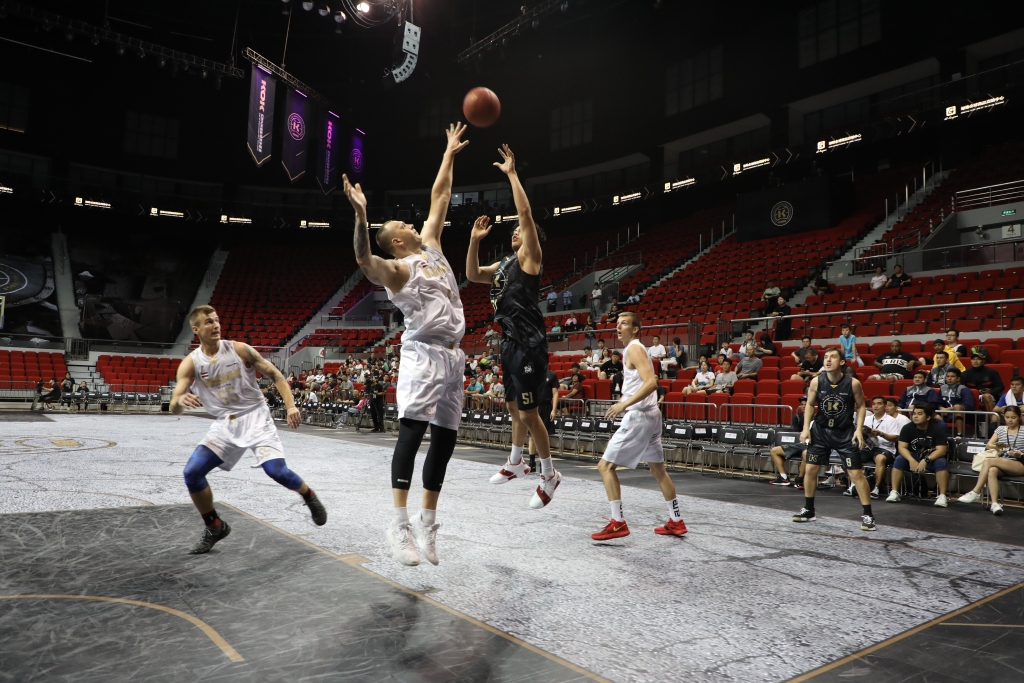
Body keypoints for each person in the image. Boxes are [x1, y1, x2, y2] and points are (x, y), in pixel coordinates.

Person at [342, 122, 469, 567]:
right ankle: (397, 527)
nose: (414, 223)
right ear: (398, 240)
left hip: (454, 356)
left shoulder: (431, 246)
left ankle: (427, 522)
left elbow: (440, 197)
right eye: (403, 224)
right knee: (413, 434)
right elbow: (363, 259)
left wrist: (449, 151)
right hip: (424, 353)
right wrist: (361, 215)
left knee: (447, 440)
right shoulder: (398, 270)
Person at [170, 305, 327, 555]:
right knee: (192, 473)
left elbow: (276, 375)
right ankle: (215, 526)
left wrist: (291, 406)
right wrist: (180, 401)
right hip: (225, 422)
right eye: (209, 322)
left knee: (276, 471)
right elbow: (173, 406)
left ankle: (308, 494)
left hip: (256, 416)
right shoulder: (191, 363)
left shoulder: (239, 349)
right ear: (196, 329)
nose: (216, 325)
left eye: (217, 320)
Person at [469, 144, 561, 509]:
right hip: (508, 342)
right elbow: (473, 274)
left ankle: (550, 473)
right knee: (512, 408)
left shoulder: (530, 256)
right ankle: (515, 461)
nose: (515, 234)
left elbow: (524, 212)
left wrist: (511, 174)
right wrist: (475, 243)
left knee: (528, 412)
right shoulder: (505, 263)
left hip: (529, 342)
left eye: (520, 232)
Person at [591, 312, 687, 540]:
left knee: (605, 467)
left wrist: (624, 403)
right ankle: (676, 521)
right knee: (658, 470)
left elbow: (652, 383)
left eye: (624, 323)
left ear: (635, 329)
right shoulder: (632, 350)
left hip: (639, 417)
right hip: (652, 416)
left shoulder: (634, 348)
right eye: (617, 323)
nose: (618, 327)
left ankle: (618, 523)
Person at [792, 348, 872, 531]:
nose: (828, 360)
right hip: (821, 430)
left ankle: (868, 515)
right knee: (811, 468)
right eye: (826, 357)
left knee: (855, 473)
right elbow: (810, 405)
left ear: (842, 362)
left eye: (833, 357)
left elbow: (860, 407)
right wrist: (806, 428)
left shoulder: (853, 383)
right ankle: (809, 509)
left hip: (844, 432)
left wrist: (859, 430)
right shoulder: (816, 381)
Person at [957, 405, 1024, 515]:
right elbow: (989, 445)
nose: (1010, 420)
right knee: (992, 470)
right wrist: (997, 447)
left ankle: (976, 491)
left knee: (988, 461)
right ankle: (994, 503)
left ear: (1019, 417)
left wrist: (1019, 454)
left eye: (1013, 417)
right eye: (1007, 417)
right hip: (1003, 459)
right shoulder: (1001, 429)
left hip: (1019, 462)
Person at [887, 403, 950, 507]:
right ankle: (894, 492)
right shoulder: (907, 428)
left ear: (928, 417)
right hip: (914, 456)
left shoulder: (937, 429)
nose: (915, 416)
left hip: (931, 457)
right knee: (899, 459)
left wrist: (926, 460)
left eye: (919, 414)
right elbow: (901, 447)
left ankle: (942, 496)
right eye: (914, 413)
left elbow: (942, 450)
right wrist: (911, 460)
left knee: (941, 462)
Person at [848, 396, 900, 499]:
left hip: (885, 448)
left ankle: (876, 488)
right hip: (868, 447)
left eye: (879, 404)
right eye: (874, 404)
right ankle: (854, 485)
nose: (876, 406)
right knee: (852, 456)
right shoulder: (867, 418)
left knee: (880, 458)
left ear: (885, 406)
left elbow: (895, 438)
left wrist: (881, 434)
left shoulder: (892, 420)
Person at [769, 396, 808, 487]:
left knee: (806, 453)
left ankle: (800, 479)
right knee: (774, 450)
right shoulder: (797, 418)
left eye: (805, 404)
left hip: (810, 445)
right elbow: (796, 433)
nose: (803, 406)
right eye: (802, 404)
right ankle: (783, 477)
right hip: (799, 443)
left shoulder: (816, 418)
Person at [527, 369, 561, 471]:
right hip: (533, 407)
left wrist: (554, 410)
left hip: (546, 408)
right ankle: (531, 462)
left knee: (545, 436)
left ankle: (544, 463)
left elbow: (555, 394)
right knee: (532, 436)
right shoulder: (531, 375)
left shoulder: (551, 375)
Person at [961, 352, 1004, 421]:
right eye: (973, 359)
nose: (975, 361)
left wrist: (990, 391)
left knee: (986, 396)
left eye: (978, 359)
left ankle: (993, 422)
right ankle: (994, 421)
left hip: (989, 395)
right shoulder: (965, 374)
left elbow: (1000, 387)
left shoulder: (992, 372)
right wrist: (976, 392)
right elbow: (962, 389)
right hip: (972, 396)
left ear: (983, 361)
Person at [938, 367, 975, 435]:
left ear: (958, 379)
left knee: (957, 407)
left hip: (963, 415)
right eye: (948, 376)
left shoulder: (964, 389)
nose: (949, 378)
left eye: (952, 376)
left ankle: (960, 434)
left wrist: (949, 409)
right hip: (946, 414)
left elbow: (968, 405)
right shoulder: (943, 388)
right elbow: (938, 402)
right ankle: (941, 435)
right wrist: (941, 408)